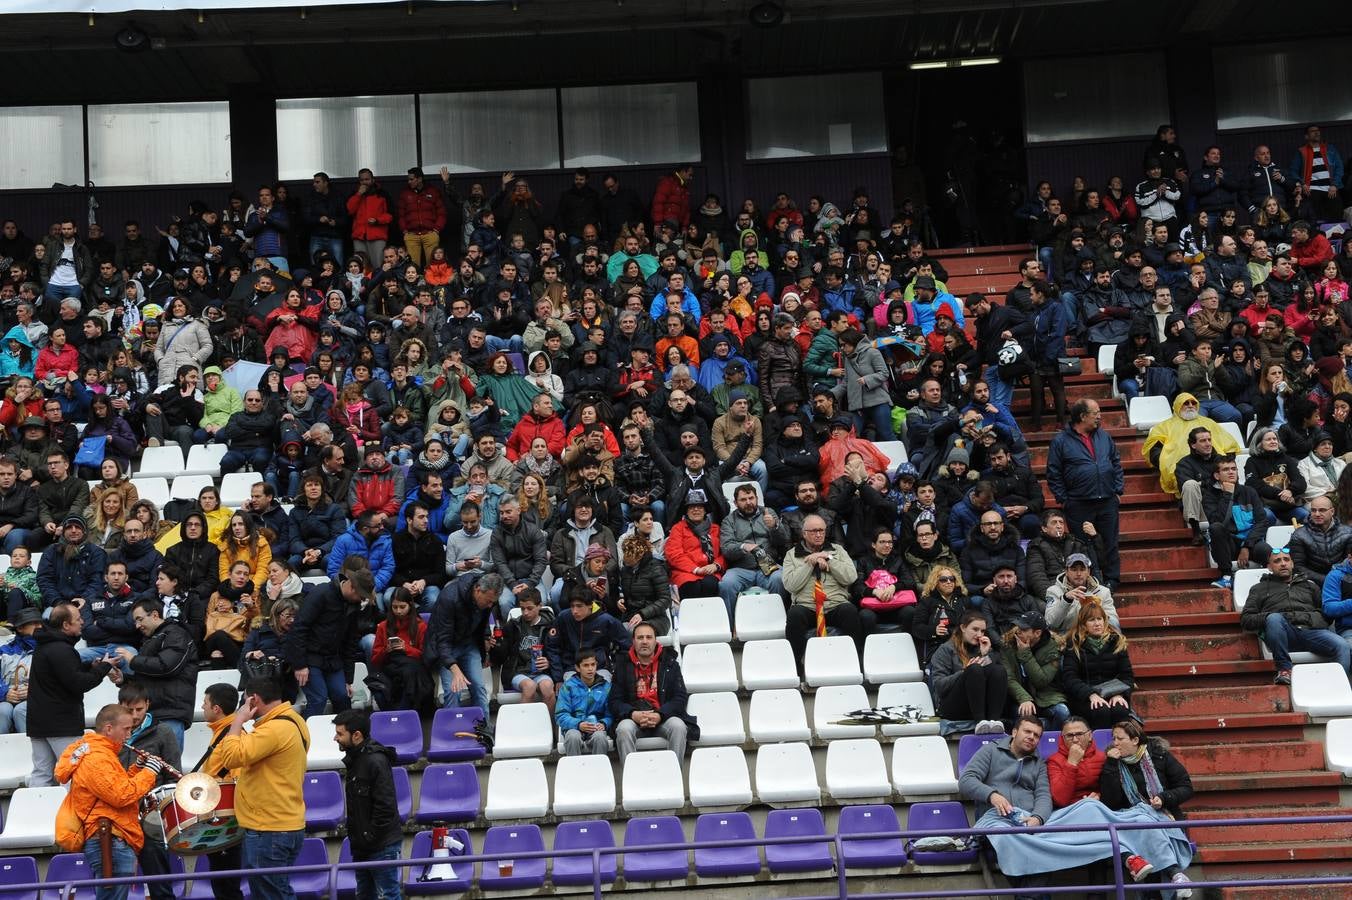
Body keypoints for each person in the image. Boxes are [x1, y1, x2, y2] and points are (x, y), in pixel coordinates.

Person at [958, 715, 1166, 899]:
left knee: (1082, 814)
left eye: (1037, 735)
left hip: (1030, 820)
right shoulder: (991, 751)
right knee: (1023, 843)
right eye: (1027, 732)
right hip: (998, 819)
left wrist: (1038, 818)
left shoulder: (1038, 762)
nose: (1032, 737)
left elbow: (1043, 795)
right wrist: (992, 795)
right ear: (1014, 732)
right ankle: (1032, 896)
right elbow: (967, 780)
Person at [215, 676, 311, 900]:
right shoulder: (296, 721)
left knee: (272, 895)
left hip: (269, 829)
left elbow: (230, 757)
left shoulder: (274, 729)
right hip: (284, 824)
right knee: (278, 891)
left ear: (254, 699)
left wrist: (238, 721)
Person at [54, 704, 162, 900]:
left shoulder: (101, 754)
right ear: (109, 728)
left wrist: (137, 770)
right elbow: (120, 796)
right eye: (126, 729)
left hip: (112, 837)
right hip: (110, 839)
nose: (129, 735)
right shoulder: (96, 758)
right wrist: (149, 773)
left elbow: (111, 790)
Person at [1098, 720, 1196, 896]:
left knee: (1149, 829)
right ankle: (1175, 876)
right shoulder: (1112, 763)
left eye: (1120, 738)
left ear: (1135, 740)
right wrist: (1111, 765)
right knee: (1143, 825)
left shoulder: (1159, 755)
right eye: (1114, 738)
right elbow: (1110, 803)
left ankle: (1166, 885)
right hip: (1130, 822)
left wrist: (1164, 798)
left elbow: (1186, 787)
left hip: (1164, 814)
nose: (1115, 743)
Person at [30, 603, 116, 786]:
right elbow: (78, 683)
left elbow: (63, 675)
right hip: (61, 724)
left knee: (42, 774)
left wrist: (89, 666)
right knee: (72, 774)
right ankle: (70, 815)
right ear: (65, 625)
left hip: (39, 722)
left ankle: (37, 813)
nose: (82, 622)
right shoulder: (61, 649)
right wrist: (103, 668)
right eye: (78, 619)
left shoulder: (45, 645)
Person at [1242, 545, 1349, 685]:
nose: (1283, 563)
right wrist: (1271, 617)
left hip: (1311, 632)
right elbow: (1246, 620)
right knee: (1274, 619)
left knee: (1342, 645)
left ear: (1292, 563)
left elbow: (1326, 615)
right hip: (1282, 634)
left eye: (1286, 559)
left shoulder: (1310, 585)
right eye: (1277, 561)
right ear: (1269, 567)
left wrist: (1305, 618)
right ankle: (1285, 670)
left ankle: (1340, 686)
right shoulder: (1258, 589)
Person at [1047, 399, 1124, 588]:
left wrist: (1117, 489)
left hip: (1107, 499)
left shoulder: (1104, 436)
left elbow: (1115, 462)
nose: (1099, 416)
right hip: (1078, 502)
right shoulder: (1060, 441)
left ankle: (1112, 580)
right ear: (1082, 416)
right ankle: (1092, 581)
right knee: (1083, 545)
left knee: (1110, 541)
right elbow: (1053, 472)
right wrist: (1064, 500)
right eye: (1095, 413)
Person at [115, 681, 182, 900]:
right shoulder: (112, 733)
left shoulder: (163, 732)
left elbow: (174, 775)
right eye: (129, 710)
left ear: (148, 704)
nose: (134, 715)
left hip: (150, 814)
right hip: (118, 812)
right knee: (114, 881)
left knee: (158, 880)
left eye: (139, 710)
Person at [333, 709, 402, 900]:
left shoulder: (375, 761)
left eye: (340, 734)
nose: (335, 738)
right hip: (364, 846)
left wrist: (369, 837)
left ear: (356, 735)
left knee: (387, 895)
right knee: (364, 895)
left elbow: (385, 806)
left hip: (380, 846)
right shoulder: (356, 759)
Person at [283, 565, 370, 718]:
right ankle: (304, 737)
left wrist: (348, 680)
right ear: (351, 587)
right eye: (361, 596)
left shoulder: (354, 605)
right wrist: (300, 665)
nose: (362, 600)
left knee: (342, 697)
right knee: (318, 699)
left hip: (333, 659)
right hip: (309, 657)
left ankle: (345, 738)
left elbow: (350, 643)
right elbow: (299, 629)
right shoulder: (321, 593)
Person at [782, 513, 861, 671]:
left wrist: (829, 559)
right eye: (814, 531)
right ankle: (796, 667)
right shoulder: (792, 554)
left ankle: (857, 663)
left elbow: (851, 577)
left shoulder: (837, 551)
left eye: (822, 530)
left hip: (835, 604)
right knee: (794, 615)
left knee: (850, 611)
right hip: (807, 606)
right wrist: (810, 563)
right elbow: (790, 585)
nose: (819, 534)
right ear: (804, 533)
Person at [609, 620, 698, 761]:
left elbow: (680, 698)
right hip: (634, 718)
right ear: (633, 641)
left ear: (655, 640)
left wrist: (660, 715)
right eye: (640, 637)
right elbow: (614, 701)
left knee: (679, 726)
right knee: (623, 729)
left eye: (648, 637)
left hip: (663, 717)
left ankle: (674, 777)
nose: (644, 641)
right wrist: (633, 714)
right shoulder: (622, 665)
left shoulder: (670, 663)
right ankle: (631, 779)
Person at [115, 596, 198, 746]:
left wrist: (133, 660)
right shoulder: (152, 639)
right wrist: (123, 679)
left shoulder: (176, 633)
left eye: (140, 619)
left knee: (168, 767)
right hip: (152, 716)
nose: (137, 625)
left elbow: (167, 667)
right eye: (135, 621)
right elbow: (148, 677)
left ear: (154, 615)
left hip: (170, 714)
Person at [425, 572, 501, 718]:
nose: (490, 605)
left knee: (479, 687)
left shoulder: (488, 599)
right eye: (489, 601)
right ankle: (452, 732)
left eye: (493, 602)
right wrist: (454, 668)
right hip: (447, 646)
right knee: (453, 690)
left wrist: (485, 641)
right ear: (478, 590)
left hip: (469, 644)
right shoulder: (449, 598)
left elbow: (482, 621)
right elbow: (442, 640)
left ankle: (483, 731)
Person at [196, 683, 246, 900]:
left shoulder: (232, 736)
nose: (202, 707)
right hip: (217, 816)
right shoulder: (221, 732)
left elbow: (237, 780)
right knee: (220, 879)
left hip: (226, 819)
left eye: (205, 703)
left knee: (227, 884)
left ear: (216, 708)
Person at [1061, 601, 1137, 730]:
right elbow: (1070, 678)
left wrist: (1119, 694)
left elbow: (1127, 675)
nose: (1097, 624)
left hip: (1113, 692)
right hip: (1084, 697)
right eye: (1091, 620)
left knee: (1120, 709)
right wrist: (1091, 694)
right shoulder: (1074, 645)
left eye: (1099, 619)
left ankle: (1122, 747)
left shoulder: (1117, 641)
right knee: (1100, 710)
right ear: (1083, 624)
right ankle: (1100, 749)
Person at [930, 610, 1008, 735]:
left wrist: (986, 655)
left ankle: (994, 721)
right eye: (975, 629)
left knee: (998, 670)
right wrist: (964, 672)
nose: (979, 634)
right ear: (963, 627)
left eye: (982, 631)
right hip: (952, 707)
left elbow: (998, 679)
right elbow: (939, 687)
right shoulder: (945, 650)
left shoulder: (984, 648)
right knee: (974, 669)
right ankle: (980, 722)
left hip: (980, 704)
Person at [1000, 610, 1070, 729]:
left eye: (1024, 629)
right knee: (1023, 714)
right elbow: (1009, 678)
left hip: (1047, 695)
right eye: (1018, 626)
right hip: (1018, 697)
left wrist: (1025, 653)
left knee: (1063, 712)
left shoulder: (1053, 647)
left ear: (1037, 633)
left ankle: (1052, 744)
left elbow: (1041, 681)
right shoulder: (1008, 645)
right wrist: (1024, 698)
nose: (1018, 631)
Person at [555, 649, 613, 756]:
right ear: (577, 668)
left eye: (593, 665)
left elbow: (611, 714)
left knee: (600, 737)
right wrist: (578, 724)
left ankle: (599, 771)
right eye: (585, 665)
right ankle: (575, 771)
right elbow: (560, 715)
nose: (590, 669)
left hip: (596, 728)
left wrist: (604, 723)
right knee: (573, 737)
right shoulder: (568, 687)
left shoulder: (605, 687)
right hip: (574, 727)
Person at [1045, 553, 1120, 634]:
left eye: (1082, 569)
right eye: (1074, 569)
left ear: (1088, 571)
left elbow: (1114, 622)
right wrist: (1065, 600)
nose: (1078, 574)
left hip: (1095, 637)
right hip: (1066, 639)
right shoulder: (1054, 591)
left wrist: (1095, 612)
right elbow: (1051, 623)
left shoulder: (1103, 592)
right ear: (1066, 571)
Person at [1046, 716, 1106, 809]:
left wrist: (1100, 797)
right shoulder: (1054, 761)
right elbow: (1060, 800)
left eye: (1079, 734)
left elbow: (1112, 791)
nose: (1075, 740)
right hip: (1070, 810)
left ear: (1090, 735)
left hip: (1099, 806)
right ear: (1063, 738)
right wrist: (1072, 763)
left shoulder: (1102, 757)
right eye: (1069, 736)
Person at [0, 607, 39, 733]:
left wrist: (34, 691)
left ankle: (30, 750)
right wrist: (5, 693)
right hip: (6, 698)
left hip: (37, 699)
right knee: (3, 710)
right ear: (20, 628)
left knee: (21, 710)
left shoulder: (48, 649)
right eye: (34, 623)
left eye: (40, 623)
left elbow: (56, 680)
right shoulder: (4, 650)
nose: (39, 626)